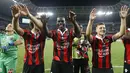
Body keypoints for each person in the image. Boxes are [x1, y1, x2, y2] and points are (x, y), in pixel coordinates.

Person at [86, 5, 129, 73]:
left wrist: (123, 19)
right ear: (96, 30)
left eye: (104, 28)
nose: (103, 29)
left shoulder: (109, 38)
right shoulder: (93, 39)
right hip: (97, 69)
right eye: (100, 28)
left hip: (108, 68)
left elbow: (121, 33)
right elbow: (88, 34)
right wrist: (91, 21)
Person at [11, 4, 46, 73]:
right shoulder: (27, 33)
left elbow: (42, 26)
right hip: (28, 64)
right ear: (32, 22)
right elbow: (16, 28)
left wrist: (29, 15)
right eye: (37, 19)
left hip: (39, 65)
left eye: (39, 20)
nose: (38, 21)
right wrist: (15, 18)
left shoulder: (43, 33)